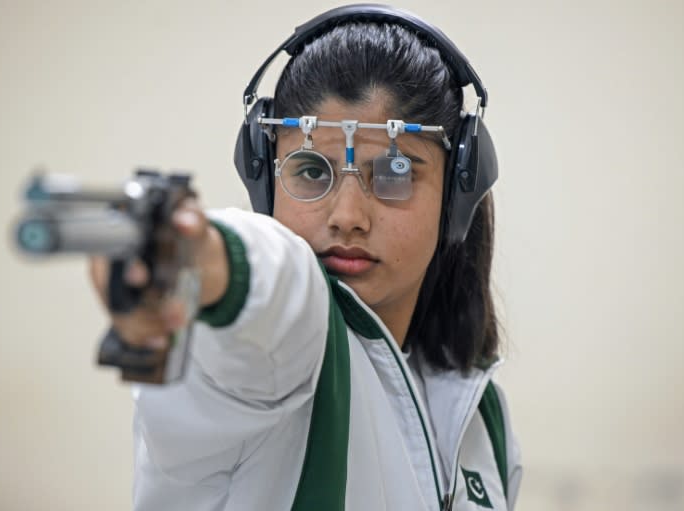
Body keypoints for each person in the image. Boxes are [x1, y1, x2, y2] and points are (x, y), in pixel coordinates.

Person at [90, 4, 522, 510]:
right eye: (312, 172)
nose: (347, 216)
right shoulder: (276, 352)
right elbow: (275, 284)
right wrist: (193, 255)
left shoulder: (481, 416)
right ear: (265, 182)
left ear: (456, 197)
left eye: (396, 172)